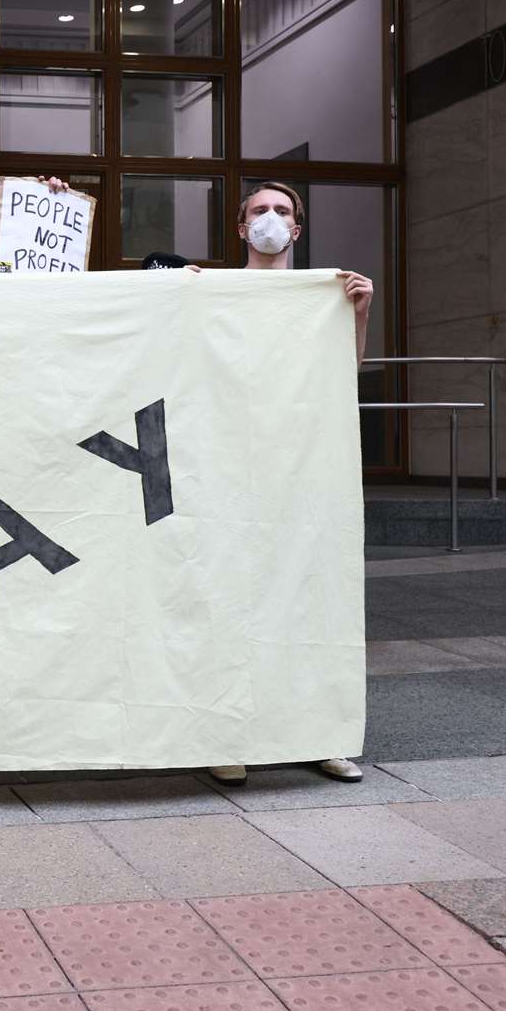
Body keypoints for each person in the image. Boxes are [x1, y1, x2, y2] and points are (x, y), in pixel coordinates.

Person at [206, 180, 372, 788]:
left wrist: (359, 313)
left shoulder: (325, 294)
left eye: (282, 211)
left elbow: (341, 376)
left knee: (311, 599)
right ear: (241, 228)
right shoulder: (214, 292)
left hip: (302, 474)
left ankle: (320, 734)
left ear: (296, 230)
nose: (271, 219)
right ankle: (231, 735)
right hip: (229, 472)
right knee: (230, 600)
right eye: (259, 211)